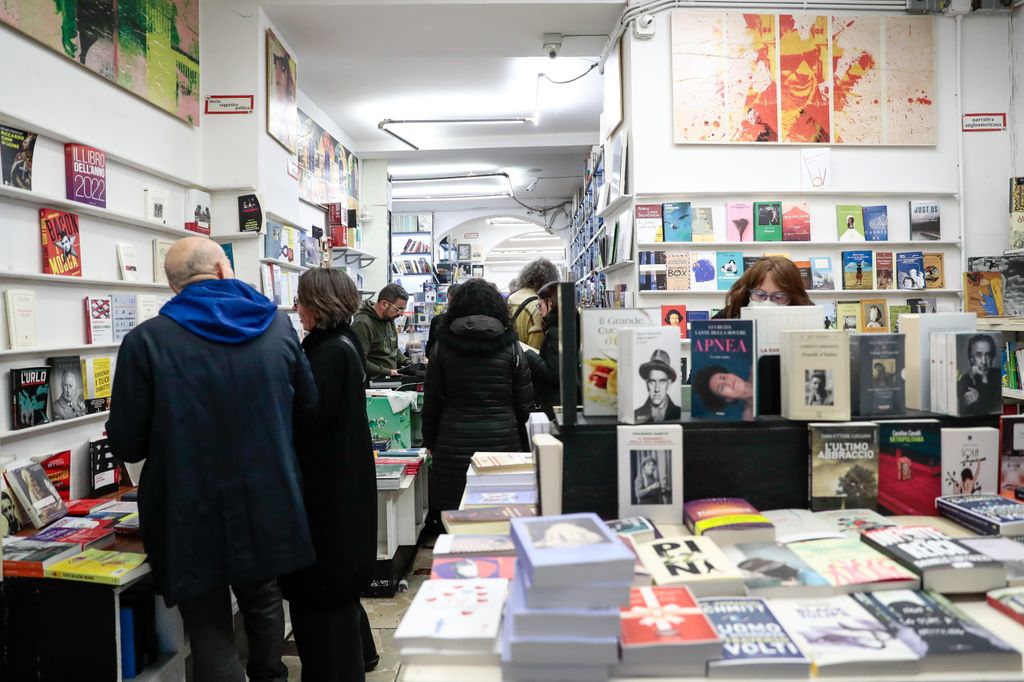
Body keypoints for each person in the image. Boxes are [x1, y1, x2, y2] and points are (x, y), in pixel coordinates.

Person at [106, 237, 317, 682]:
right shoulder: (278, 329)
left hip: (187, 503)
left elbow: (127, 444)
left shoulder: (146, 341)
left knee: (205, 619)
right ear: (224, 271)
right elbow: (308, 410)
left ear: (173, 286)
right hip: (268, 491)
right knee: (263, 599)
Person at [281, 268, 378, 681]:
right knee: (336, 598)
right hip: (341, 489)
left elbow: (310, 417)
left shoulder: (328, 352)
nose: (295, 307)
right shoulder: (342, 345)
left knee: (324, 601)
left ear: (319, 305)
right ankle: (361, 659)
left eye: (301, 300)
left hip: (328, 495)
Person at [422, 278, 534, 516]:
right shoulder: (512, 348)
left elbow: (432, 401)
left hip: (453, 442)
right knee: (500, 512)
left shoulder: (442, 347)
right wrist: (525, 445)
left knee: (455, 512)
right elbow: (524, 403)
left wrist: (430, 441)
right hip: (503, 441)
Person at [715, 256, 814, 319]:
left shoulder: (810, 315)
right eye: (760, 295)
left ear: (793, 296)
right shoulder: (730, 314)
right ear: (748, 292)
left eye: (779, 297)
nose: (768, 303)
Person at [351, 284, 411, 380]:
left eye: (403, 310)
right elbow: (358, 361)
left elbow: (394, 351)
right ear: (384, 304)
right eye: (398, 309)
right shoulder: (363, 324)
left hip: (388, 381)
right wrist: (389, 372)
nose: (401, 314)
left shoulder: (389, 319)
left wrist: (409, 363)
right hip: (373, 384)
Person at [524, 281, 561, 419]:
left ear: (550, 303)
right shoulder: (566, 326)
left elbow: (554, 374)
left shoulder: (555, 332)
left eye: (540, 306)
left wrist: (530, 355)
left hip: (553, 402)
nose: (538, 311)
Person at [507, 258, 559, 350]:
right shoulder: (538, 306)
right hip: (526, 362)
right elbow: (536, 349)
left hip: (508, 360)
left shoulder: (510, 299)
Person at [958, 333, 1001, 415]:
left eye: (988, 355)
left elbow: (995, 409)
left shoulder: (1000, 376)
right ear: (971, 359)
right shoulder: (962, 382)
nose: (984, 362)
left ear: (992, 357)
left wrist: (984, 379)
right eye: (979, 355)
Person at [634, 349, 681, 423]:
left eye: (662, 381)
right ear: (647, 384)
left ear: (668, 384)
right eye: (652, 381)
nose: (657, 389)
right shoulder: (636, 414)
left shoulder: (678, 413)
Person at [425, 282, 462, 359]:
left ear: (448, 297)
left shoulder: (437, 320)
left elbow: (429, 351)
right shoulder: (470, 322)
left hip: (442, 365)